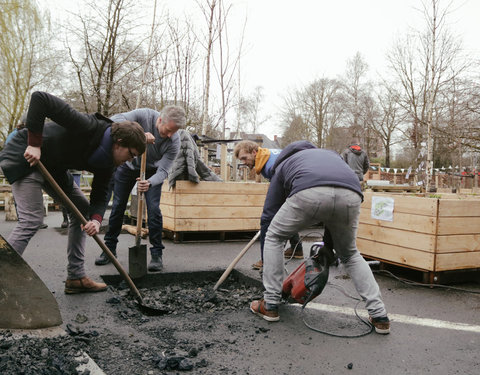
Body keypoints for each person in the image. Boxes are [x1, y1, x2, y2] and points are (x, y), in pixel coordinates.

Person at [0, 91, 146, 294]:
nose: (130, 161)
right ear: (119, 141)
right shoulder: (87, 126)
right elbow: (40, 99)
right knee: (32, 219)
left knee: (82, 210)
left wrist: (95, 219)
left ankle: (76, 277)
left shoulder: (108, 163)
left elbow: (102, 192)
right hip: (27, 158)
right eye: (131, 155)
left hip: (54, 168)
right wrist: (34, 144)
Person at [249, 140, 390, 334]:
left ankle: (270, 304)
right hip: (352, 194)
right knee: (350, 254)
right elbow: (332, 205)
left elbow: (268, 216)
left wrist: (267, 257)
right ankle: (380, 315)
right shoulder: (331, 156)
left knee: (274, 237)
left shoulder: (283, 164)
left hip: (308, 192)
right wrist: (329, 247)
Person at [95, 105, 186, 272]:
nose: (170, 135)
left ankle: (157, 254)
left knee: (154, 210)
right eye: (167, 130)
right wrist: (139, 135)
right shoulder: (144, 115)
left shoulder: (174, 141)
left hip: (152, 172)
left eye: (174, 131)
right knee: (118, 206)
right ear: (159, 120)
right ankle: (109, 250)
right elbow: (114, 121)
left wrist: (150, 182)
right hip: (127, 165)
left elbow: (164, 170)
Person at [233, 140, 304, 270]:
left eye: (244, 158)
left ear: (254, 152)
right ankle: (297, 249)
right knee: (285, 214)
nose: (243, 162)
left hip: (298, 184)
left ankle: (267, 260)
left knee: (268, 219)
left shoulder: (270, 165)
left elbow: (280, 184)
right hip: (299, 182)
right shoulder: (266, 155)